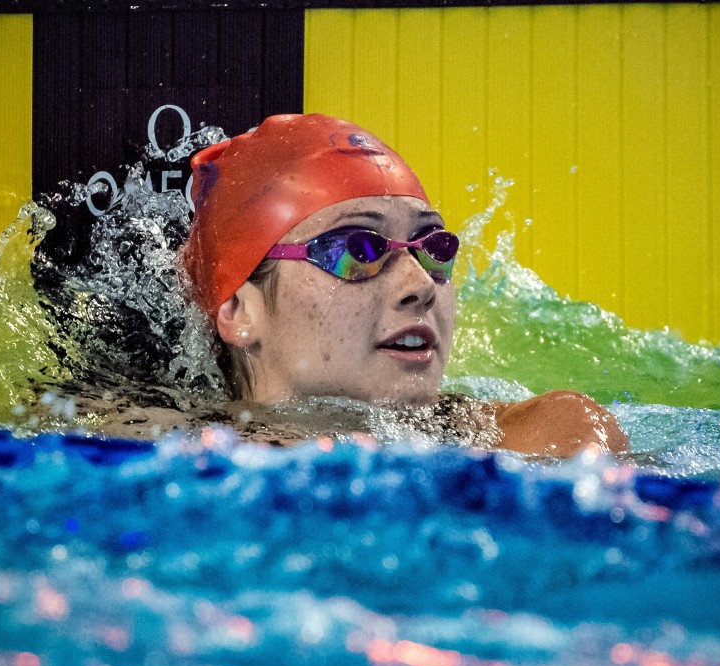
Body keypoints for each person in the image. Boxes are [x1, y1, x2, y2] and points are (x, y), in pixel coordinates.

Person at [182, 113, 628, 458]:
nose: (419, 284)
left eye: (433, 247)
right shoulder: (162, 448)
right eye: (359, 250)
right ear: (240, 310)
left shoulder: (546, 438)